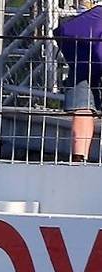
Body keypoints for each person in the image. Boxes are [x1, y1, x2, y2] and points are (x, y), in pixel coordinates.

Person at [56, 0, 102, 162]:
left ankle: (78, 158)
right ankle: (78, 158)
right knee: (83, 103)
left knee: (83, 105)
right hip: (89, 34)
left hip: (83, 36)